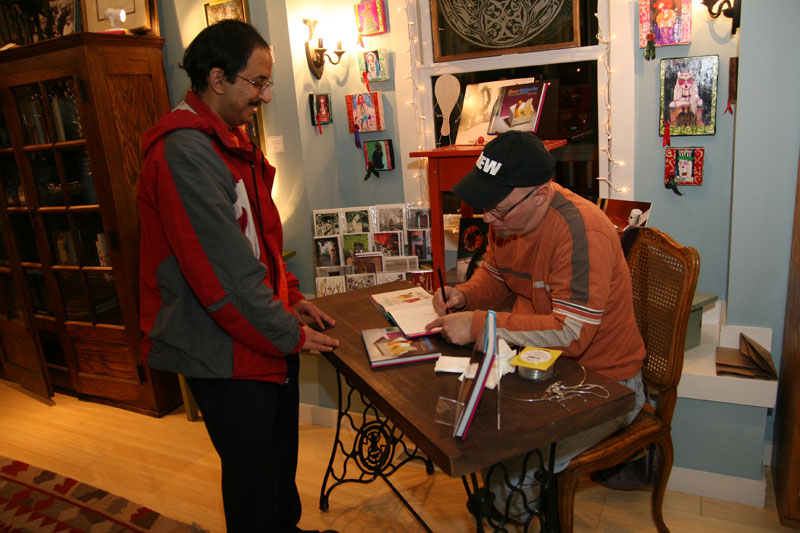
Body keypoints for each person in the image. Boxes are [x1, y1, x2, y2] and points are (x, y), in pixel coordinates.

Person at [136, 20, 339, 533]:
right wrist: (289, 332)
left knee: (277, 469)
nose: (266, 95)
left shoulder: (229, 139)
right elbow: (221, 277)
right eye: (258, 82)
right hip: (224, 350)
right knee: (252, 481)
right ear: (218, 78)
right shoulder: (183, 152)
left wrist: (290, 296)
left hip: (261, 335)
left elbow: (261, 240)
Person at [425, 131, 646, 521]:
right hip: (543, 369)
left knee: (504, 476)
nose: (489, 218)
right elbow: (495, 275)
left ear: (540, 195)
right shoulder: (508, 216)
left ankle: (515, 515)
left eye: (499, 209)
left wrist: (480, 325)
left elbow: (570, 334)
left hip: (607, 385)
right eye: (487, 206)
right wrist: (466, 296)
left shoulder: (583, 234)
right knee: (475, 435)